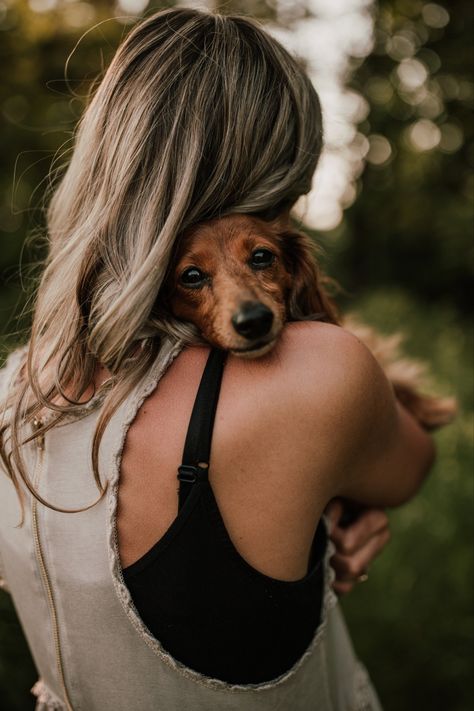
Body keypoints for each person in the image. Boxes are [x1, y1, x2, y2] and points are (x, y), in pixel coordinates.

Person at [0, 8, 434, 710]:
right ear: (277, 172)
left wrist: (322, 487)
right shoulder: (318, 371)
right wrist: (342, 477)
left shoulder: (16, 394)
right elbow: (410, 465)